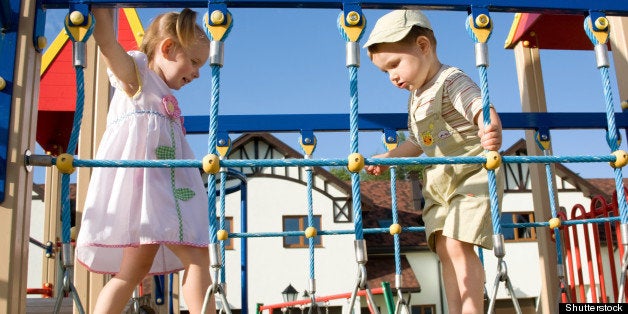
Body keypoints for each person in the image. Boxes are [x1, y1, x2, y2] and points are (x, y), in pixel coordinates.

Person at [363, 10, 504, 314]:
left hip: (471, 170)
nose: (393, 77)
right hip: (439, 179)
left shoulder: (450, 80)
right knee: (443, 247)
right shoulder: (415, 98)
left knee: (456, 244)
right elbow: (417, 143)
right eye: (385, 72)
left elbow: (479, 105)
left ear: (423, 46)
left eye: (395, 65)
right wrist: (388, 158)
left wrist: (489, 127)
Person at [75, 8, 215, 314]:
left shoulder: (162, 93)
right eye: (193, 61)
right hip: (155, 195)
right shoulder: (137, 77)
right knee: (197, 255)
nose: (197, 72)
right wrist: (100, 12)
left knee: (132, 272)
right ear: (167, 48)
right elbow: (109, 46)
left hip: (157, 196)